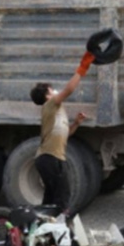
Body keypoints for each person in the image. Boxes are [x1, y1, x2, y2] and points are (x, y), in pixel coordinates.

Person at [29, 51, 94, 215]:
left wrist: (76, 123)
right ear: (47, 95)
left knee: (52, 199)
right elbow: (69, 89)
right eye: (52, 90)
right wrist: (83, 67)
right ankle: (60, 231)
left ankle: (43, 229)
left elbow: (65, 135)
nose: (56, 91)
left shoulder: (57, 110)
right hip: (49, 158)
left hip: (51, 158)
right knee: (63, 198)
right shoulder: (50, 105)